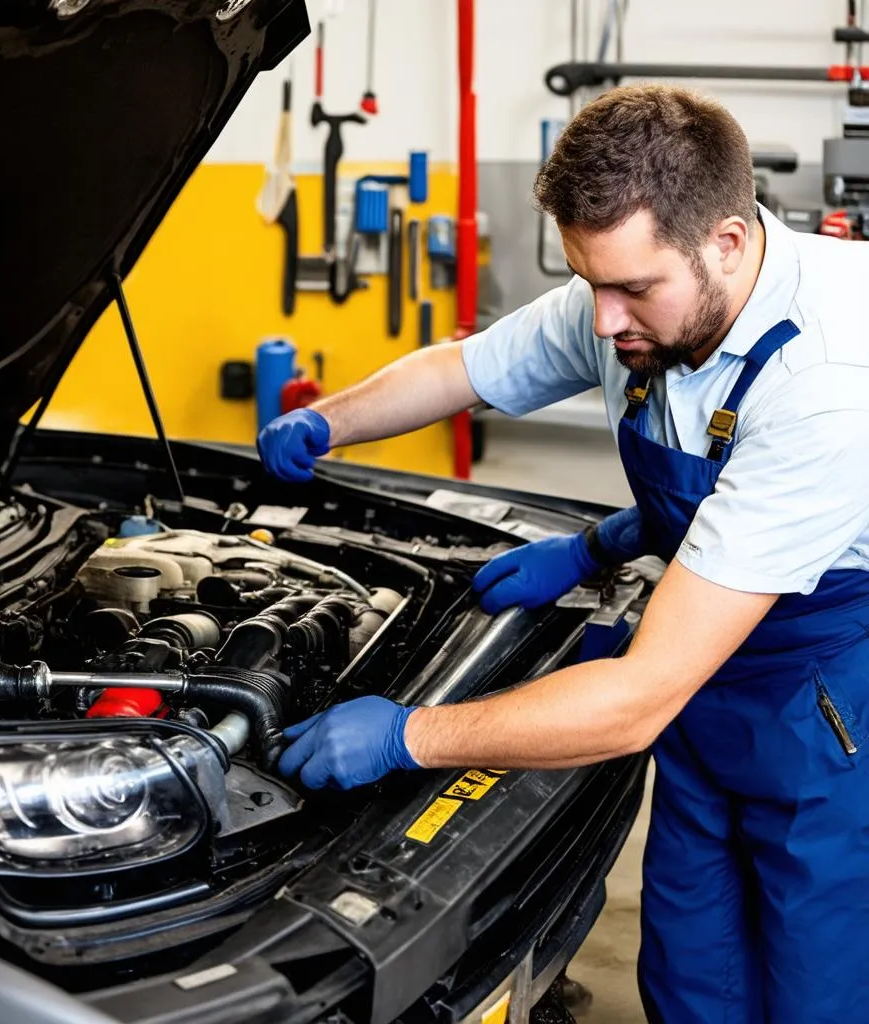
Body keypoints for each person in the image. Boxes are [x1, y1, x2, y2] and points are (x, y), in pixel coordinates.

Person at [255, 84, 869, 1024]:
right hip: (708, 685)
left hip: (830, 704)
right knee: (694, 975)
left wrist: (406, 735)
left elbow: (631, 704)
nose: (600, 323)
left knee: (814, 985)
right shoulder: (651, 296)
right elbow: (465, 367)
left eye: (631, 290)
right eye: (591, 284)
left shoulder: (825, 380)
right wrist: (326, 420)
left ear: (729, 243)